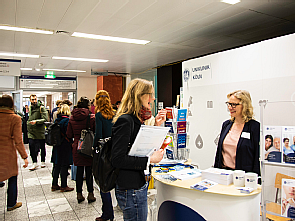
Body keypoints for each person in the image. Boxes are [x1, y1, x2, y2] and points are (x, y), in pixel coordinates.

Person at [111, 78, 167, 221]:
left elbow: (138, 147)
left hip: (136, 185)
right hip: (130, 188)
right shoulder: (126, 120)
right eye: (150, 94)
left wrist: (156, 126)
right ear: (139, 95)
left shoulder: (137, 120)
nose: (153, 99)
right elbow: (117, 159)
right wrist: (150, 159)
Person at [214, 90, 260, 175]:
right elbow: (219, 154)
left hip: (243, 177)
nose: (230, 107)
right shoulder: (226, 125)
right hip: (224, 174)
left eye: (234, 104)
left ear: (245, 106)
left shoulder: (254, 127)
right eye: (229, 104)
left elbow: (256, 157)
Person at [0, 95, 29, 211]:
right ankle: (11, 203)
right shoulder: (15, 118)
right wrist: (25, 157)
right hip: (8, 154)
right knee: (12, 177)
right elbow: (18, 140)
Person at [66, 96, 96, 203]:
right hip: (88, 146)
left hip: (77, 146)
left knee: (79, 171)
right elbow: (94, 132)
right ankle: (90, 194)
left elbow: (69, 134)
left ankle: (79, 194)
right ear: (88, 106)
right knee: (89, 171)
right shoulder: (91, 117)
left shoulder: (72, 117)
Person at [93, 90, 115, 221]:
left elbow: (98, 135)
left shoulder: (99, 115)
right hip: (115, 150)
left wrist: (93, 148)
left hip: (103, 153)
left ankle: (107, 213)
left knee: (104, 183)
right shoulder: (115, 114)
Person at [51, 104, 74, 192]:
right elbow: (69, 134)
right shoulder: (67, 121)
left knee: (57, 164)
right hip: (65, 144)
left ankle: (54, 184)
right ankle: (64, 185)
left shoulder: (57, 120)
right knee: (64, 165)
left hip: (57, 144)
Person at [27, 94, 48, 171]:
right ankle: (34, 162)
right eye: (32, 99)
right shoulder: (30, 108)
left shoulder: (41, 108)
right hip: (31, 131)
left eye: (35, 99)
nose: (34, 101)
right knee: (31, 146)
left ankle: (43, 161)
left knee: (42, 146)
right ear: (30, 100)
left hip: (40, 131)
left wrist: (36, 121)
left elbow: (45, 119)